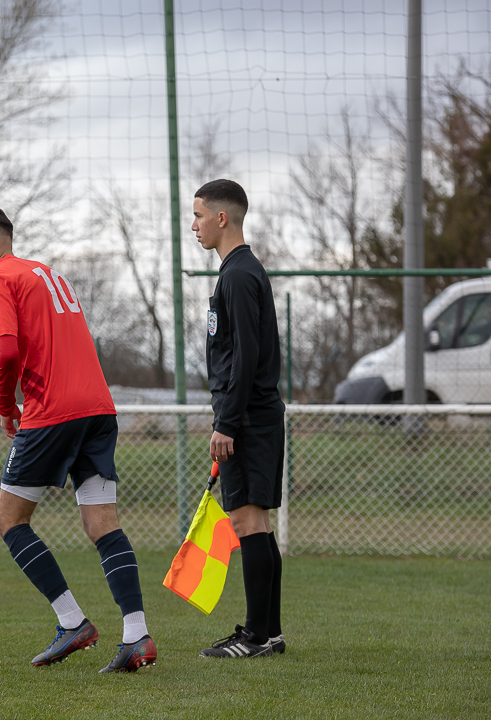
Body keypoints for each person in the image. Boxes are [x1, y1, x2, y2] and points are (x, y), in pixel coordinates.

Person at [0, 206, 156, 673]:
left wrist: (8, 409)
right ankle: (136, 635)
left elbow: (5, 350)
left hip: (52, 413)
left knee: (8, 520)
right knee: (102, 524)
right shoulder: (47, 274)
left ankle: (73, 622)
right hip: (100, 410)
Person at [191, 179, 286, 659]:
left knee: (248, 521)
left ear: (222, 218)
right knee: (257, 523)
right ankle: (269, 632)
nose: (195, 226)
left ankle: (255, 636)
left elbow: (246, 357)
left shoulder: (238, 275)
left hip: (247, 419)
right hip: (254, 415)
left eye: (199, 215)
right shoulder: (239, 272)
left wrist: (226, 422)